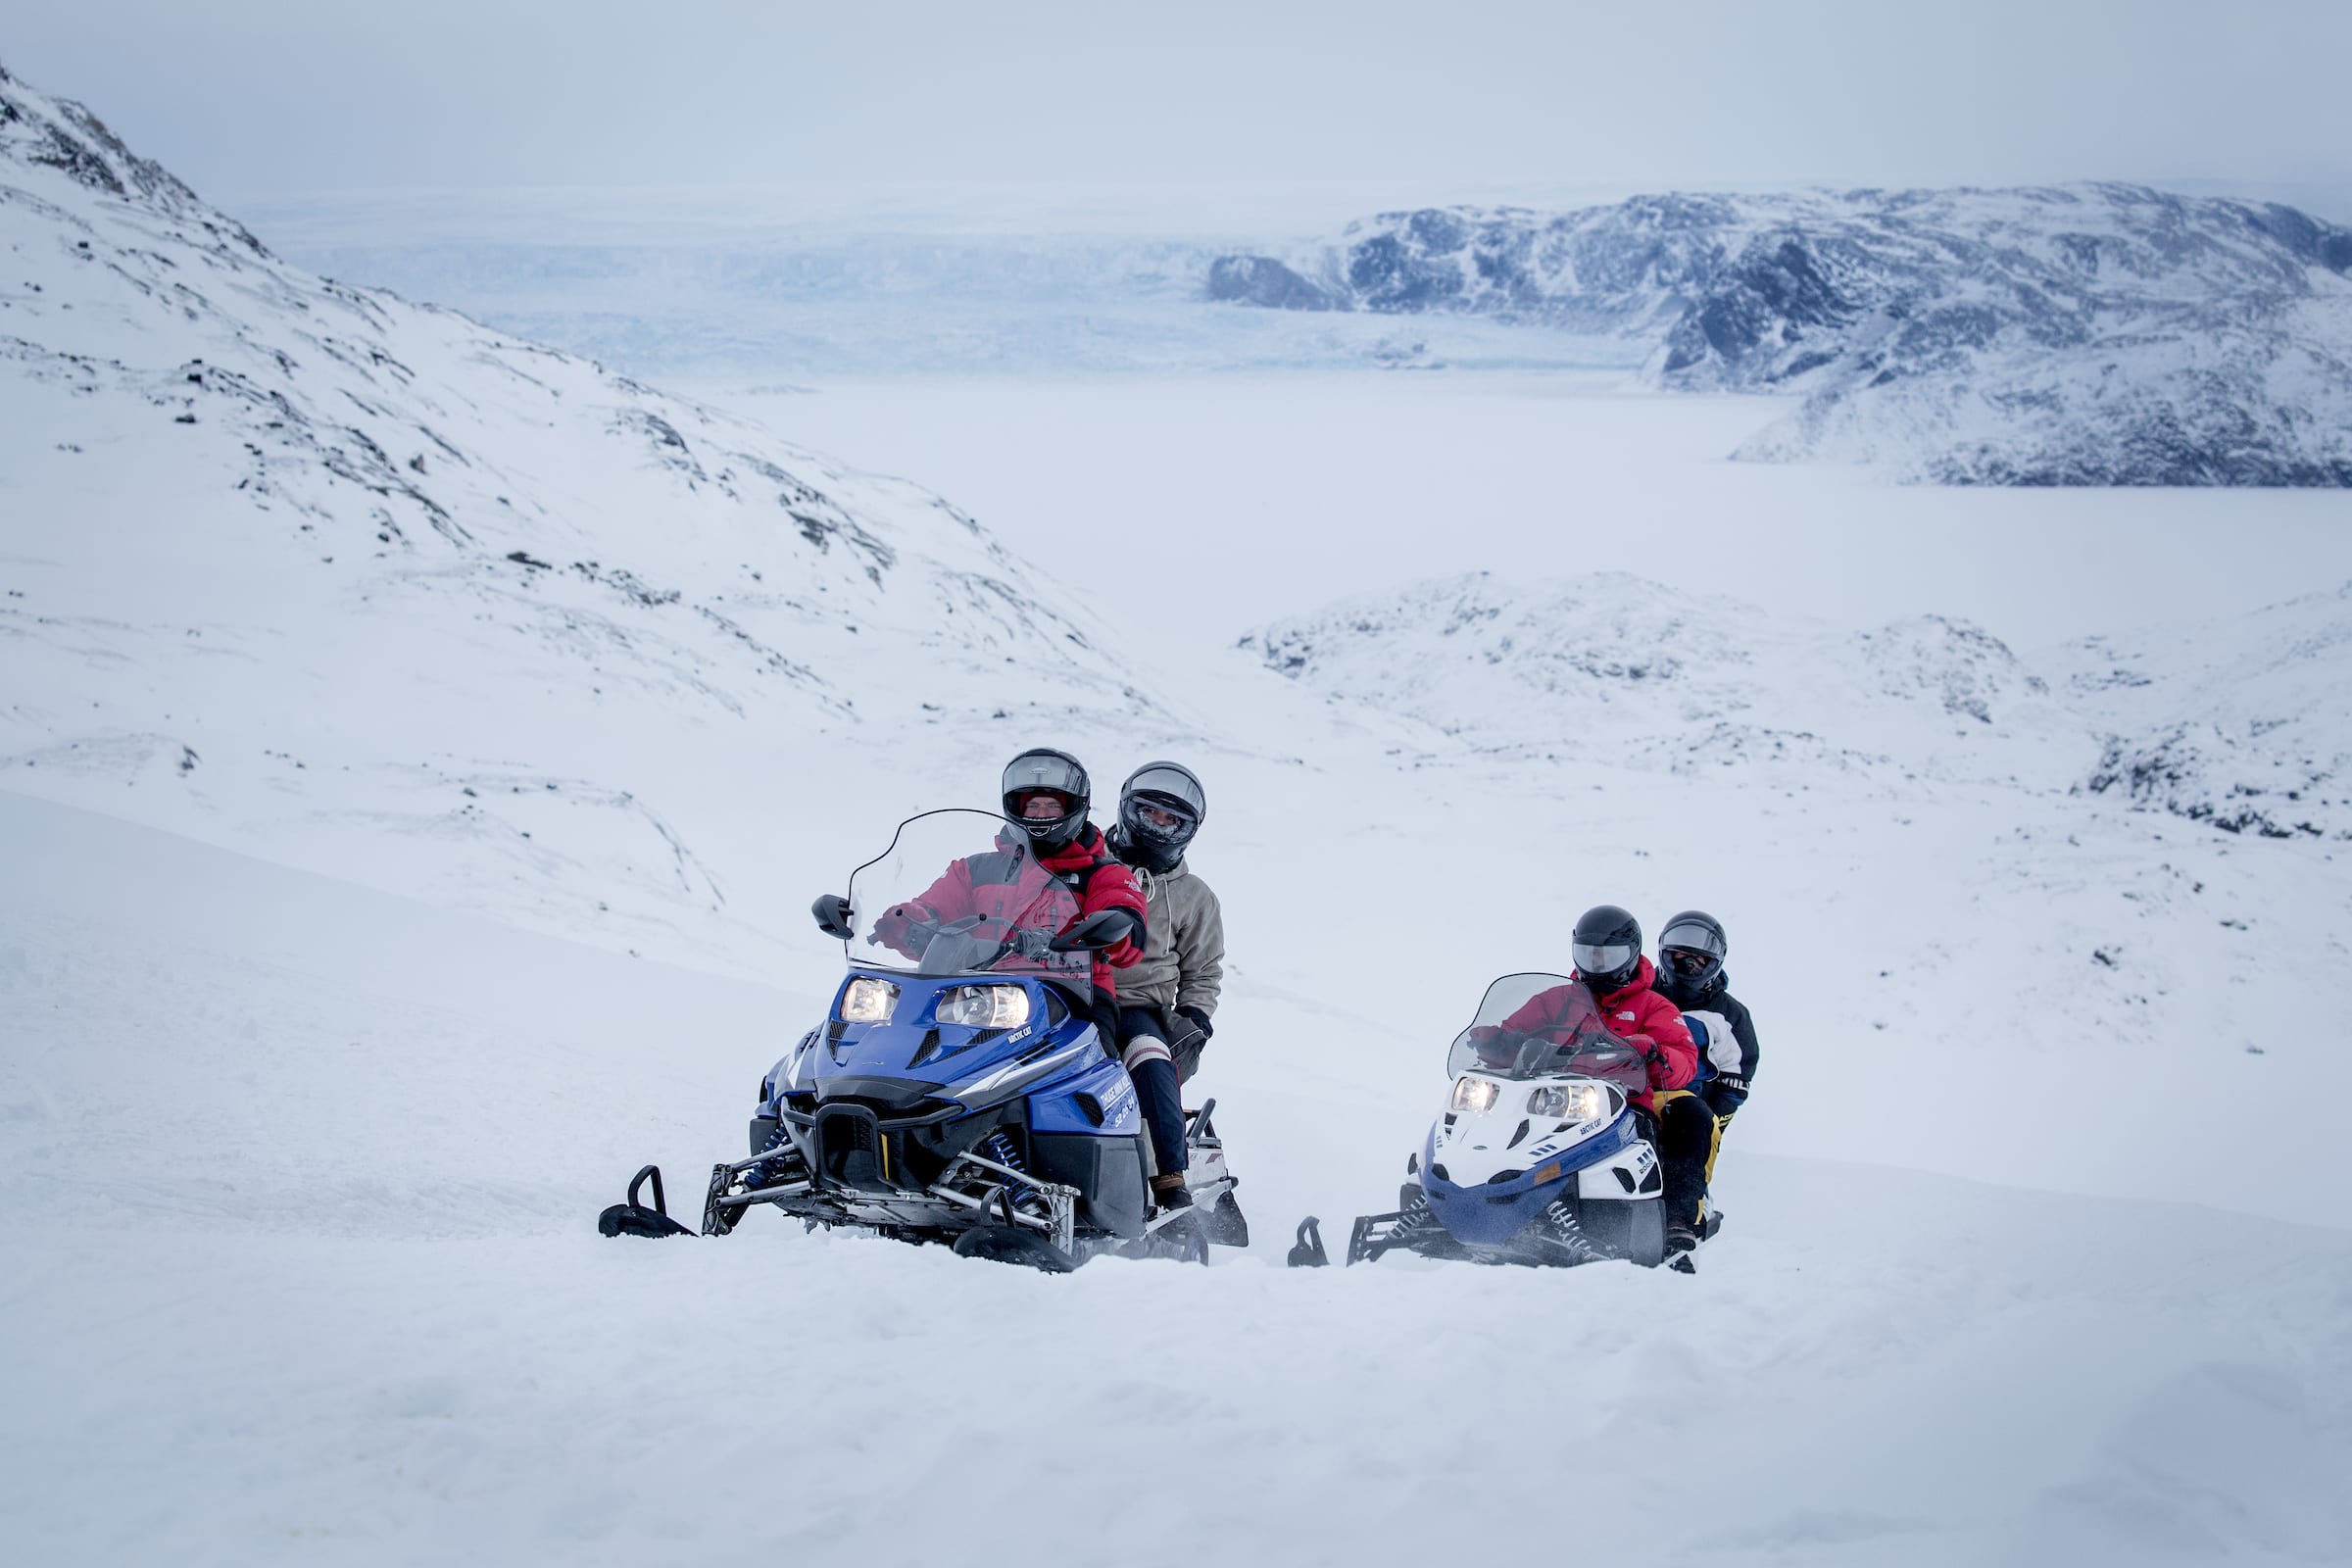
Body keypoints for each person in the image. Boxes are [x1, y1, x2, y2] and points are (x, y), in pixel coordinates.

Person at [867, 749, 1146, 1030]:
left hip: (1072, 992)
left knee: (1092, 1054)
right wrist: (906, 923)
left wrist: (1112, 932)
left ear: (1074, 809)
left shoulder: (1103, 873)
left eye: (1052, 807)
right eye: (1033, 807)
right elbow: (933, 906)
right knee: (895, 1032)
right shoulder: (975, 869)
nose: (1042, 814)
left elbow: (1125, 916)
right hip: (973, 989)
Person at [1510, 905, 1709, 1258]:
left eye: (1608, 957)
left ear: (1632, 954)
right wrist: (1493, 1040)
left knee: (1679, 1123)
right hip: (1546, 1097)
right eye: (1589, 955)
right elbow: (1512, 1029)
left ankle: (1672, 1220)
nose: (1597, 965)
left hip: (1624, 1100)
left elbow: (1685, 1060)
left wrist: (1655, 1052)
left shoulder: (1654, 1006)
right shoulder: (1558, 1001)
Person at [1103, 761, 1225, 1211]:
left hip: (1136, 1008)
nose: (1158, 825)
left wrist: (1195, 1017)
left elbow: (1204, 967)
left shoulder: (1194, 895)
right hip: (1062, 995)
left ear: (1186, 829)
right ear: (1128, 810)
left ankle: (1168, 1180)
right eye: (1149, 813)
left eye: (1170, 819)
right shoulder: (1083, 861)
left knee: (1149, 1059)